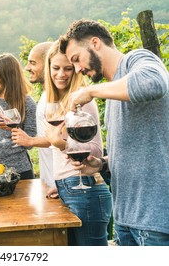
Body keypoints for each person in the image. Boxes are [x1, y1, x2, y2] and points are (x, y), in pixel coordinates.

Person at [59, 19, 169, 246]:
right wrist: (101, 164)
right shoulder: (111, 94)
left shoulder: (136, 60)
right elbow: (132, 151)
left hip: (155, 221)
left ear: (95, 43)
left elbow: (154, 82)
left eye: (76, 59)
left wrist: (90, 91)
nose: (77, 69)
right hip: (125, 221)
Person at [37, 41, 111, 246]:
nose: (61, 74)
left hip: (86, 189)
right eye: (56, 68)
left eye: (68, 68)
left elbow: (95, 149)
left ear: (76, 70)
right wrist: (61, 186)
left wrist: (61, 145)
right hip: (68, 187)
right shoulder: (51, 99)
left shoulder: (83, 100)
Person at [0, 53, 37, 180]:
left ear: (9, 77)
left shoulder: (27, 103)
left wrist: (12, 130)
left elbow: (31, 142)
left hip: (19, 171)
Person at [12, 42, 55, 187]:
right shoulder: (45, 95)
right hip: (51, 181)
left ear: (49, 63)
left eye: (33, 63)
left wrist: (30, 141)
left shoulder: (58, 98)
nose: (27, 67)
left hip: (63, 181)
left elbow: (62, 138)